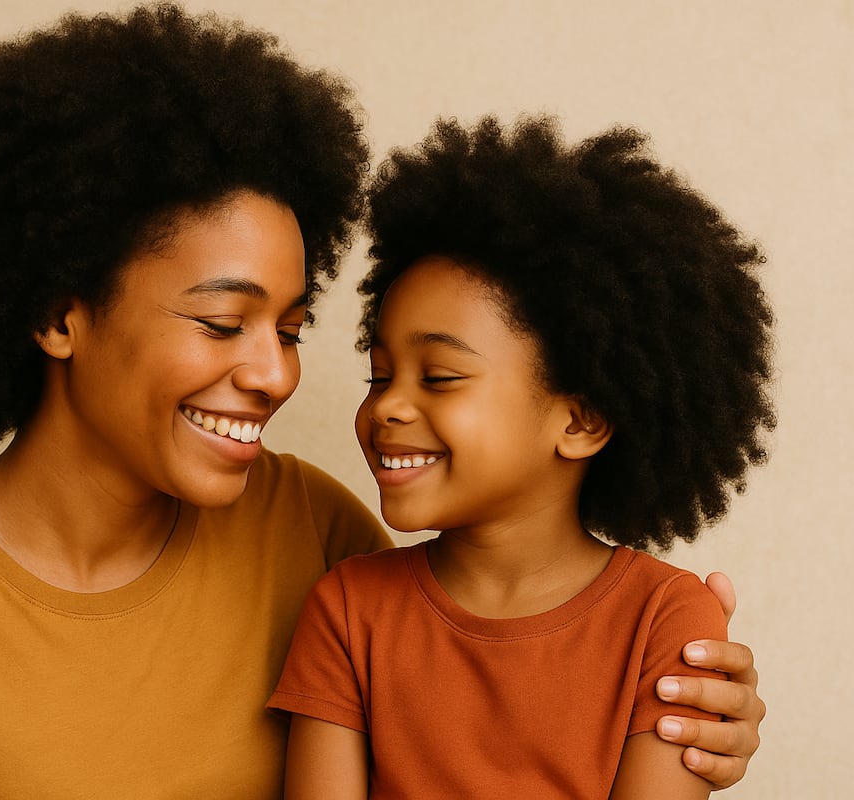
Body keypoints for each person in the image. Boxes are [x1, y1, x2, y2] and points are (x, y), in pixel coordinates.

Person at [0, 5, 764, 798]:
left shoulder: (317, 532)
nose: (277, 375)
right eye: (222, 322)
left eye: (290, 330)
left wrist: (693, 711)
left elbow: (477, 679)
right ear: (58, 312)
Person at [269, 115, 775, 799]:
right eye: (380, 376)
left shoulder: (669, 620)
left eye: (440, 377)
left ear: (582, 420)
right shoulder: (348, 609)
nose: (387, 407)